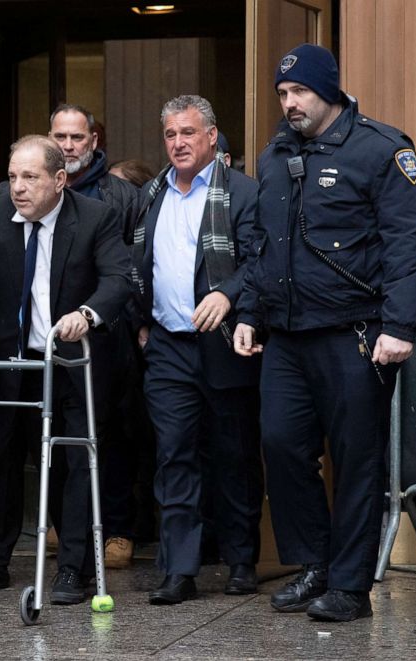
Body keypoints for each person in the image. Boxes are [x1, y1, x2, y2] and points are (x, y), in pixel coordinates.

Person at [234, 44, 416, 622]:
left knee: (357, 461)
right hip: (288, 336)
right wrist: (250, 311)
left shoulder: (381, 149)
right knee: (280, 446)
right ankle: (313, 564)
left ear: (330, 91)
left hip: (357, 333)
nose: (290, 103)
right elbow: (262, 248)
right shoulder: (273, 157)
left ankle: (350, 586)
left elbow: (407, 244)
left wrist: (399, 325)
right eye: (283, 94)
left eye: (300, 93)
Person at [0, 135, 131, 605]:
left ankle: (73, 569)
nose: (18, 188)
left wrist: (85, 315)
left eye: (30, 177)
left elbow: (118, 279)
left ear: (59, 180)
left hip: (70, 361)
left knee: (72, 461)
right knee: (0, 457)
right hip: (12, 360)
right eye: (13, 176)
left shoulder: (94, 219)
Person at [133, 94, 263, 605]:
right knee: (174, 456)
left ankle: (241, 559)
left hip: (227, 342)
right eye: (170, 134)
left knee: (233, 454)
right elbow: (137, 263)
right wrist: (142, 323)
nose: (179, 143)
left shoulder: (244, 193)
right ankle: (179, 569)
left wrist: (226, 294)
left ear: (212, 136)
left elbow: (260, 262)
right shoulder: (151, 194)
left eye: (188, 133)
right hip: (167, 346)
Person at [48, 104, 142, 569]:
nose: (68, 146)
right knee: (52, 434)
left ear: (93, 142)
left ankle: (119, 528)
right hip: (50, 338)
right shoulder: (31, 193)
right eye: (60, 137)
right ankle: (68, 531)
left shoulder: (122, 196)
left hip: (111, 334)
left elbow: (135, 268)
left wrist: (132, 322)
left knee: (114, 434)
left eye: (77, 138)